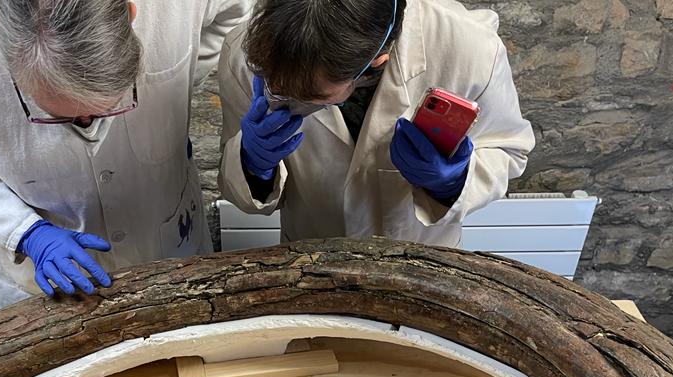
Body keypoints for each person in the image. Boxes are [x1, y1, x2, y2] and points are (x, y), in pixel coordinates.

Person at [0, 0, 251, 308]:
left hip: (171, 244)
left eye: (110, 106)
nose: (87, 125)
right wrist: (26, 233)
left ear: (128, 13)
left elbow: (235, 15)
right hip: (40, 280)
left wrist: (176, 84)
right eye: (56, 114)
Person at [218, 0, 535, 248]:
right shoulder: (244, 54)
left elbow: (509, 148)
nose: (292, 98)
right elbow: (243, 191)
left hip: (424, 262)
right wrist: (252, 164)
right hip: (310, 260)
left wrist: (452, 183)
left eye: (313, 94)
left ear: (375, 62)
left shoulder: (469, 46)